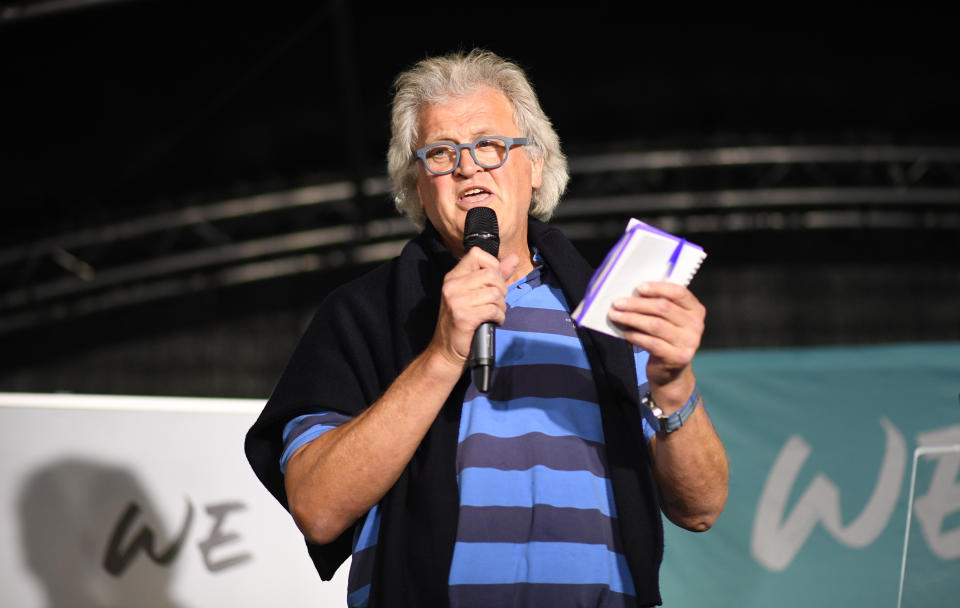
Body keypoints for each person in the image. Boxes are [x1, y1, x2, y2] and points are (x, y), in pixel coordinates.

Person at [245, 49, 728, 608]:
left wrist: (673, 388)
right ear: (417, 187)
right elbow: (318, 507)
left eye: (489, 146)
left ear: (536, 166)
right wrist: (442, 355)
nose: (467, 167)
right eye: (441, 153)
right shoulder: (363, 313)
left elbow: (702, 508)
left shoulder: (614, 308)